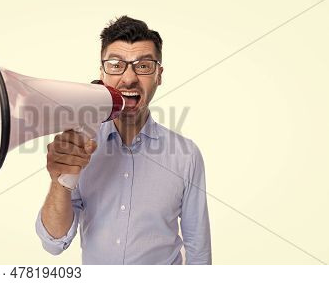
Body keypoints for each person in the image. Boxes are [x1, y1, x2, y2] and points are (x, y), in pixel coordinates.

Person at [35, 16, 211, 265]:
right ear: (102, 74)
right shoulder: (80, 145)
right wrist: (61, 181)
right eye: (116, 65)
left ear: (159, 75)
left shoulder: (186, 155)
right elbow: (53, 242)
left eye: (143, 66)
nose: (128, 79)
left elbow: (198, 249)